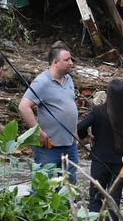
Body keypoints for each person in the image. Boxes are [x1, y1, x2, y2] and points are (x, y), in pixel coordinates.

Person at [78, 79, 123, 221]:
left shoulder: (98, 111)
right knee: (114, 197)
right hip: (121, 163)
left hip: (100, 160)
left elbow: (80, 127)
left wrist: (87, 137)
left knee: (95, 196)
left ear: (108, 94)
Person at [19, 42, 80, 182]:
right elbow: (23, 106)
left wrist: (75, 130)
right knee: (42, 186)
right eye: (67, 60)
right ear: (55, 62)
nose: (71, 63)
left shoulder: (69, 79)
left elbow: (69, 106)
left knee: (68, 188)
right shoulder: (42, 82)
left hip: (70, 145)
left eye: (71, 59)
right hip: (48, 147)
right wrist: (38, 132)